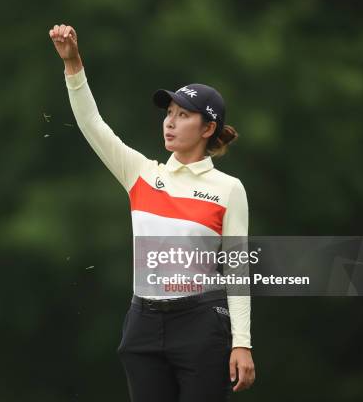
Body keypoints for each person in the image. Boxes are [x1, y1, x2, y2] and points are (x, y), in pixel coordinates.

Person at [48, 23, 256, 401]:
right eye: (169, 113)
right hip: (143, 323)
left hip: (202, 324)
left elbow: (238, 270)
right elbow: (92, 125)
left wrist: (242, 343)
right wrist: (73, 64)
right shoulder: (141, 173)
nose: (170, 122)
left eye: (183, 115)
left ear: (209, 127)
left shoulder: (228, 190)